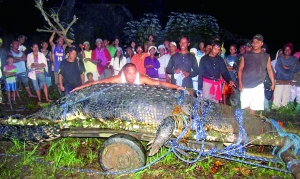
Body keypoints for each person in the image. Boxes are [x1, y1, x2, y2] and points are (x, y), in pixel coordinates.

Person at [71, 63, 184, 92]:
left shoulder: (141, 78)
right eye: (129, 73)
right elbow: (98, 82)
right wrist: (79, 88)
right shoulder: (119, 78)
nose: (132, 76)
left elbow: (159, 83)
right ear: (124, 73)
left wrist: (177, 87)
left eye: (134, 73)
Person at [238, 34, 275, 115]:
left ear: (262, 43)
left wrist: (273, 83)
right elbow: (240, 69)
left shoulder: (266, 56)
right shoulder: (246, 55)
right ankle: (249, 119)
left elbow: (269, 69)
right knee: (245, 105)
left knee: (254, 106)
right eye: (254, 42)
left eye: (257, 42)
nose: (255, 44)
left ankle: (250, 124)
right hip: (246, 84)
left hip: (258, 85)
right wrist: (240, 82)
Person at [273, 43, 299, 108]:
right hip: (279, 81)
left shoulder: (295, 59)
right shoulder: (280, 58)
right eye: (286, 49)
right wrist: (290, 68)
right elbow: (277, 68)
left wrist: (286, 67)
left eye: (289, 49)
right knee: (277, 98)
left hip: (288, 82)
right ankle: (275, 112)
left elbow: (296, 68)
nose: (287, 51)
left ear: (291, 50)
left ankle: (284, 112)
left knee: (286, 98)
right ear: (284, 50)